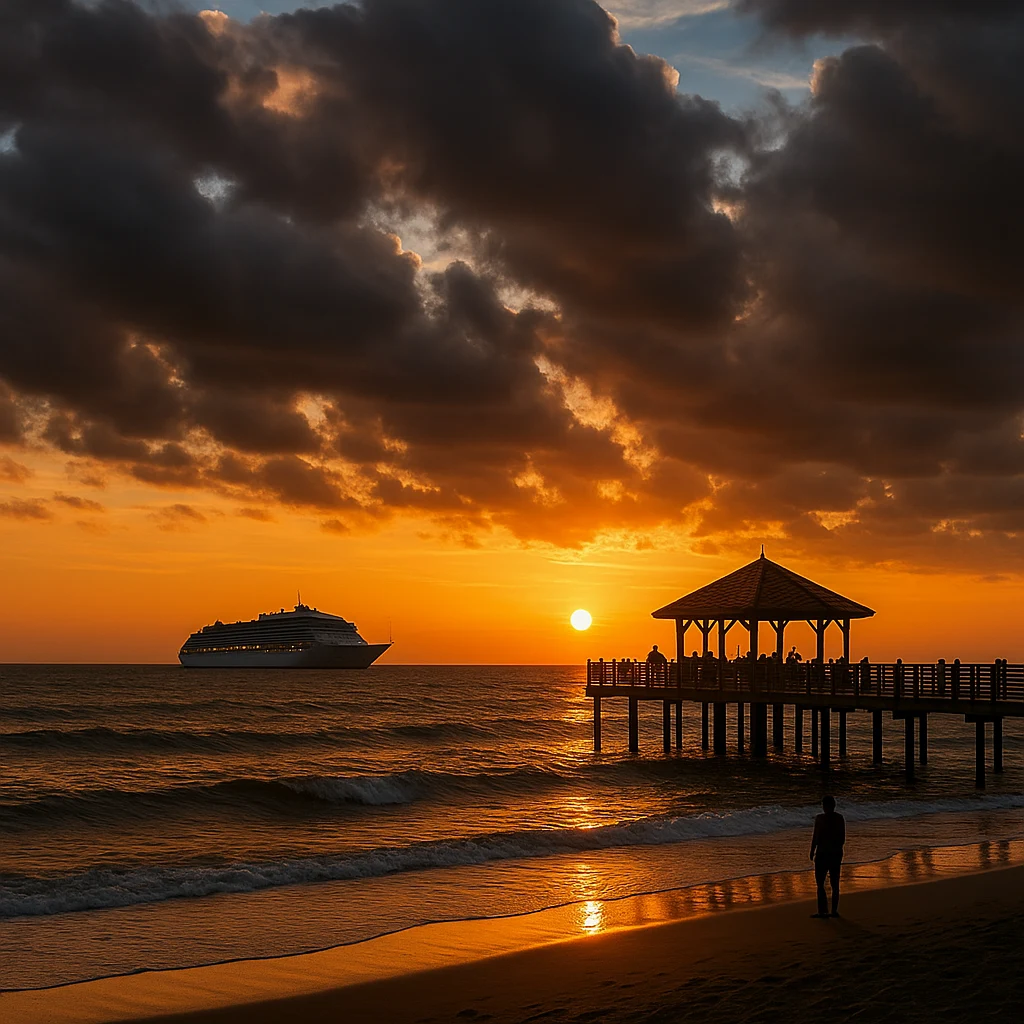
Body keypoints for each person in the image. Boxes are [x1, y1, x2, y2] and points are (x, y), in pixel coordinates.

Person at [810, 795, 846, 918]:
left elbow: (815, 837)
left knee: (821, 883)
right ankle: (833, 911)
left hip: (823, 853)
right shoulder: (839, 818)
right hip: (835, 853)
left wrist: (812, 850)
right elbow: (842, 839)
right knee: (834, 883)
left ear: (824, 806)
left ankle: (822, 911)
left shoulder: (820, 818)